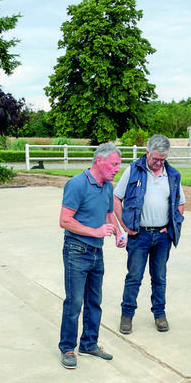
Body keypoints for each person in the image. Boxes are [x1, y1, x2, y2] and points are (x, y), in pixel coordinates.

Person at [58, 143, 127, 369]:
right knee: (75, 301)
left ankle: (89, 343)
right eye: (114, 163)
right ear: (99, 160)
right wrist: (95, 232)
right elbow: (65, 220)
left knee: (94, 301)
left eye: (118, 164)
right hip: (76, 250)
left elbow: (109, 214)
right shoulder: (77, 184)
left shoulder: (107, 186)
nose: (117, 168)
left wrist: (117, 232)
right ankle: (67, 347)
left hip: (97, 251)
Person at [114, 134, 185, 334]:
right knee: (134, 277)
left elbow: (180, 203)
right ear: (147, 153)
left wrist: (171, 226)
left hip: (162, 237)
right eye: (156, 159)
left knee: (159, 277)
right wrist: (125, 226)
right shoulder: (133, 171)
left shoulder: (172, 175)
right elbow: (116, 198)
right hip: (139, 236)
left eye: (163, 159)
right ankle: (127, 316)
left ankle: (159, 314)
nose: (159, 163)